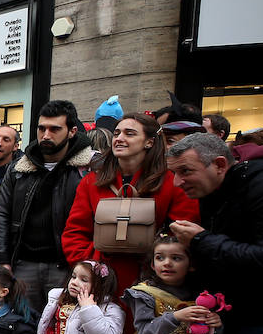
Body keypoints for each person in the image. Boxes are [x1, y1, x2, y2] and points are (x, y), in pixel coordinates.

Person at [166, 131, 263, 334]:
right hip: (232, 313)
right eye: (174, 173)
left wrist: (202, 241)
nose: (178, 182)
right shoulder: (215, 191)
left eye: (185, 172)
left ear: (219, 164)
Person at [61, 112, 199, 292]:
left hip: (151, 282)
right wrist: (93, 265)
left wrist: (160, 263)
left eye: (130, 133)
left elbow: (184, 232)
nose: (119, 138)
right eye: (117, 133)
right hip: (101, 280)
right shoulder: (91, 182)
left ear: (149, 142)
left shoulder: (172, 182)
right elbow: (74, 232)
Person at [0, 100, 95, 312]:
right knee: (24, 328)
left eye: (55, 129)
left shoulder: (88, 168)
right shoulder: (18, 169)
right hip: (24, 263)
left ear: (72, 131)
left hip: (67, 265)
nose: (46, 135)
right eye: (41, 128)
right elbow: (2, 214)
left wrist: (86, 263)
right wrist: (2, 259)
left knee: (63, 331)